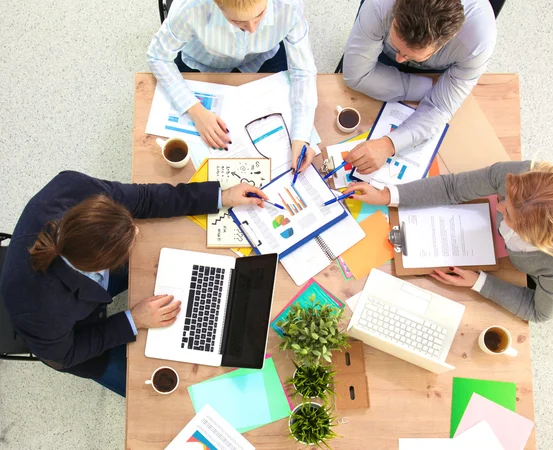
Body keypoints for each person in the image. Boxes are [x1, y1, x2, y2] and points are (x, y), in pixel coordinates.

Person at [0, 171, 268, 396]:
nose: (137, 231)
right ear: (100, 265)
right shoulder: (40, 309)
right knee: (169, 390)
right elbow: (66, 354)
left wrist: (220, 196)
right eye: (126, 243)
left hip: (78, 289)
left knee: (175, 251)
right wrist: (132, 319)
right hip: (74, 341)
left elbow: (143, 198)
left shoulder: (71, 189)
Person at [348, 161, 553, 322]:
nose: (498, 205)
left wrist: (480, 282)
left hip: (527, 271)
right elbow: (453, 187)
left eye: (508, 215)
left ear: (536, 240)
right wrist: (387, 195)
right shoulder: (523, 177)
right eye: (506, 198)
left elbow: (539, 312)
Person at [147, 0, 318, 172]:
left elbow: (303, 71)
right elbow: (157, 57)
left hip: (261, 56)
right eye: (238, 22)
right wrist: (195, 110)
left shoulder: (289, 5)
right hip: (203, 61)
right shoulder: (190, 7)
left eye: (260, 15)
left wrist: (301, 136)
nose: (252, 29)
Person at [342, 0, 496, 174]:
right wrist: (429, 88)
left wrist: (390, 144)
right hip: (382, 52)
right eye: (398, 48)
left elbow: (440, 108)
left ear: (449, 38)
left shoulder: (478, 42)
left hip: (437, 70)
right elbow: (357, 75)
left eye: (409, 55)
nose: (399, 59)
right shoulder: (379, 5)